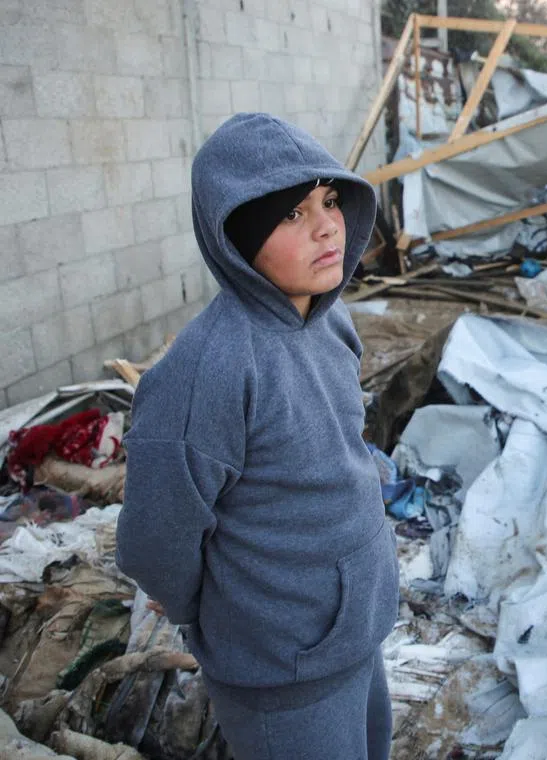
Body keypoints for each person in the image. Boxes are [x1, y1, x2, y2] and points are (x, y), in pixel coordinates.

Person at [116, 113, 398, 760]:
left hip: (355, 635)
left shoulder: (329, 325)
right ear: (235, 237)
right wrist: (225, 618)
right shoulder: (206, 372)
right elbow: (154, 543)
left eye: (329, 200)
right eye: (291, 214)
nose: (328, 225)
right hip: (282, 678)